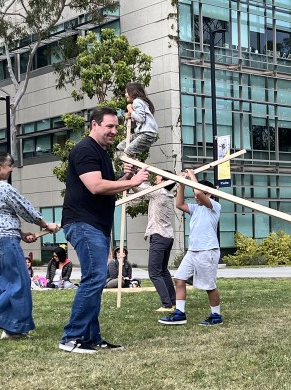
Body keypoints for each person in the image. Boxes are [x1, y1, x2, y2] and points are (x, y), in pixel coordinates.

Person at [59, 106, 149, 354]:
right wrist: (132, 182)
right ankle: (71, 338)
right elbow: (96, 186)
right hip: (83, 223)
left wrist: (124, 178)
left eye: (116, 127)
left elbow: (108, 187)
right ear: (94, 125)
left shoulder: (101, 153)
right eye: (109, 126)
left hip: (96, 224)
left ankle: (91, 337)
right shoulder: (85, 150)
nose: (113, 131)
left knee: (96, 280)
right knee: (95, 278)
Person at [0, 150, 60, 342]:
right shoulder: (2, 187)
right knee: (20, 283)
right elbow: (25, 209)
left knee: (2, 286)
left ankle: (12, 329)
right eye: (9, 165)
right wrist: (46, 225)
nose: (11, 169)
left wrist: (20, 234)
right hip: (4, 242)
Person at [159, 170, 222, 326]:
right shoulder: (196, 208)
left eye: (198, 193)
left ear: (209, 194)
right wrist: (181, 184)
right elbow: (179, 204)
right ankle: (180, 314)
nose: (195, 196)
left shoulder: (214, 206)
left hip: (207, 251)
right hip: (193, 252)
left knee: (209, 286)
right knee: (179, 279)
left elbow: (199, 193)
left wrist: (192, 176)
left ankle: (216, 316)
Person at [129, 170, 176, 311]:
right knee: (163, 271)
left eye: (158, 175)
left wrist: (131, 175)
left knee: (154, 272)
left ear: (163, 181)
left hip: (159, 236)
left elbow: (136, 186)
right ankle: (173, 302)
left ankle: (167, 304)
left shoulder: (158, 192)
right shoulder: (168, 194)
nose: (156, 176)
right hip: (168, 236)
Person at [116, 82, 158, 159]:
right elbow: (132, 125)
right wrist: (128, 117)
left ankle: (131, 167)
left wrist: (131, 111)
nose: (125, 95)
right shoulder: (137, 104)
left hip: (147, 133)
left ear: (133, 92)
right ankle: (130, 163)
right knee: (121, 147)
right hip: (140, 133)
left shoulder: (137, 101)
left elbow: (141, 119)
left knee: (128, 150)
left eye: (126, 92)